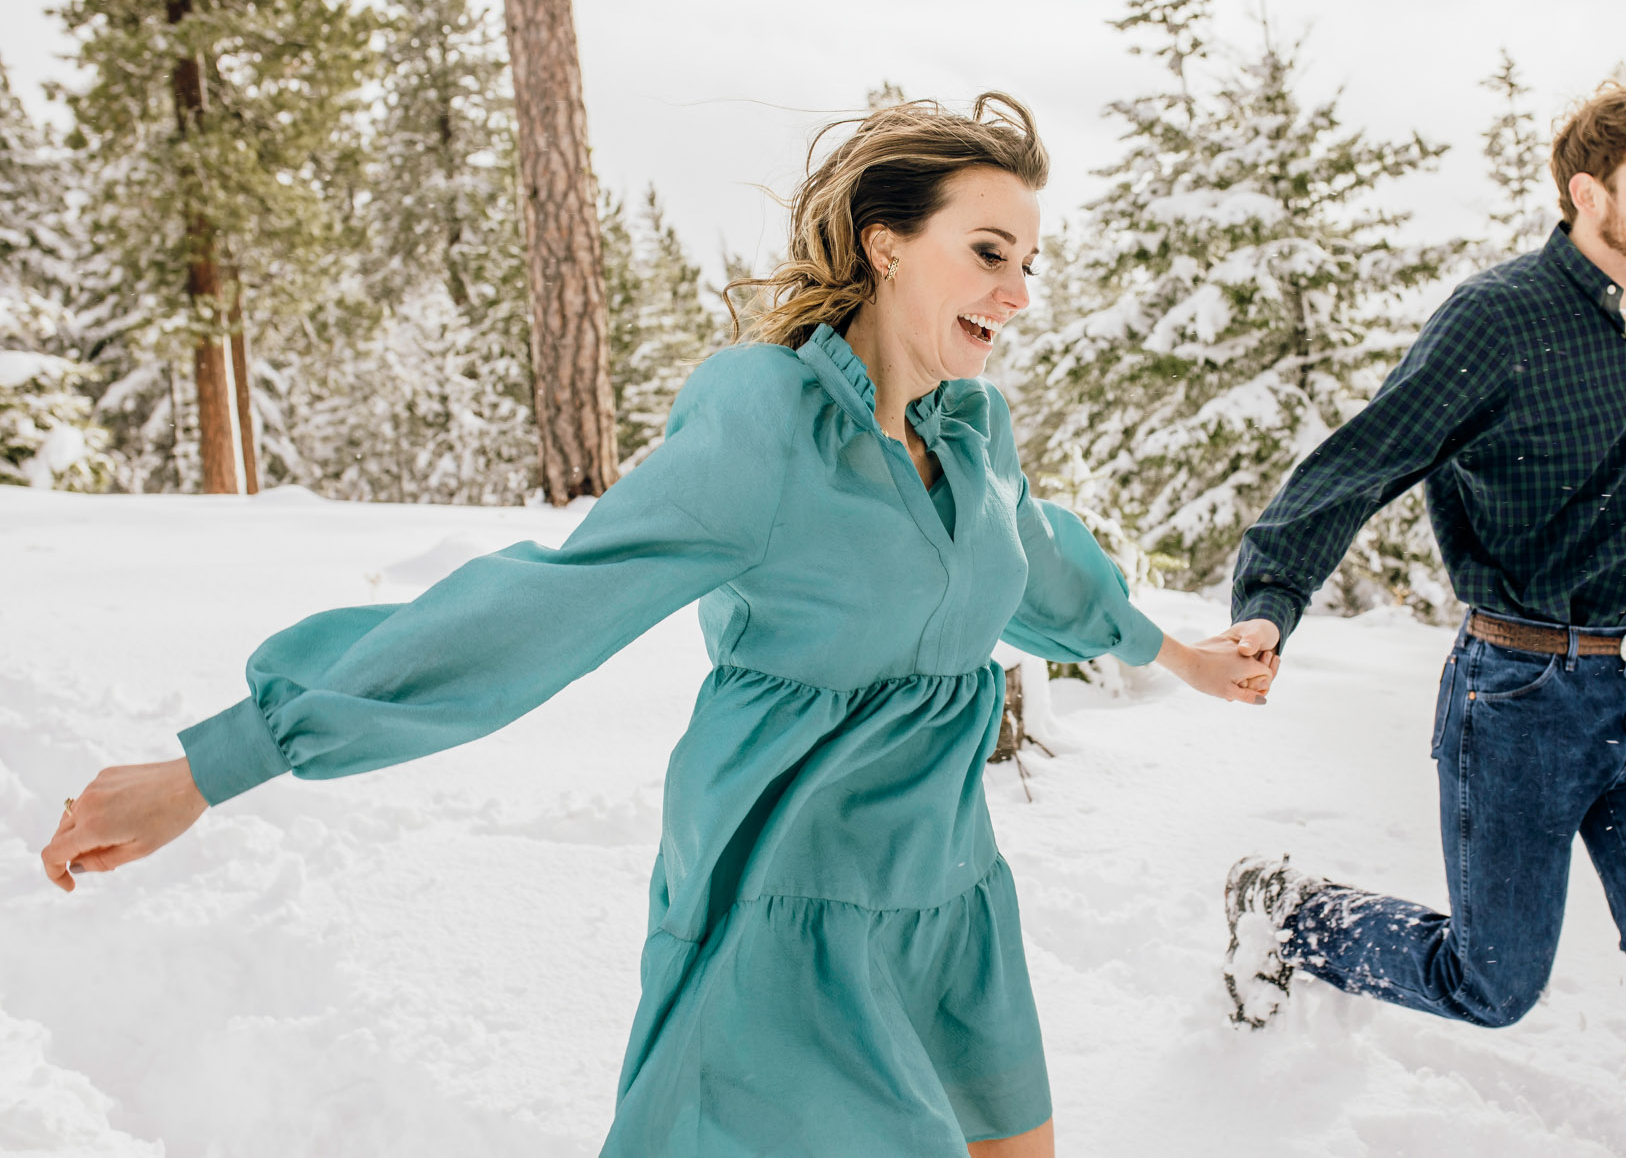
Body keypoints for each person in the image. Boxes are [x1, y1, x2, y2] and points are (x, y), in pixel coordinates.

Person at [40, 93, 1275, 1158]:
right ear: (886, 243)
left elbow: (1035, 567)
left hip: (951, 889)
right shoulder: (763, 424)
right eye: (989, 252)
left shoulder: (968, 431)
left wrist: (1177, 654)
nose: (1015, 293)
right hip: (789, 891)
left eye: (1028, 266)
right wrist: (221, 760)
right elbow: (546, 602)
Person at [1217, 61, 1626, 1155]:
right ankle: (1292, 912)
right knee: (1490, 980)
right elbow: (1360, 462)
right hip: (1522, 697)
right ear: (1584, 192)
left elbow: (1618, 476)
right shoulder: (1497, 320)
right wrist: (1269, 598)